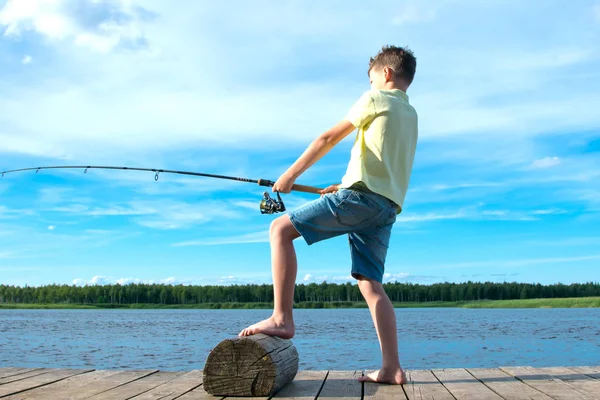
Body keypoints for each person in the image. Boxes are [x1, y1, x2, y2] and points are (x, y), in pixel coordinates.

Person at [238, 45, 418, 385]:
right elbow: (382, 162)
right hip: (385, 207)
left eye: (371, 78)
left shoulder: (375, 98)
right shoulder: (410, 114)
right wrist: (342, 185)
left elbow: (328, 137)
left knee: (279, 229)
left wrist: (290, 175)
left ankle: (281, 318)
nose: (370, 83)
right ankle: (392, 368)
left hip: (361, 199)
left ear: (385, 73)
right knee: (371, 284)